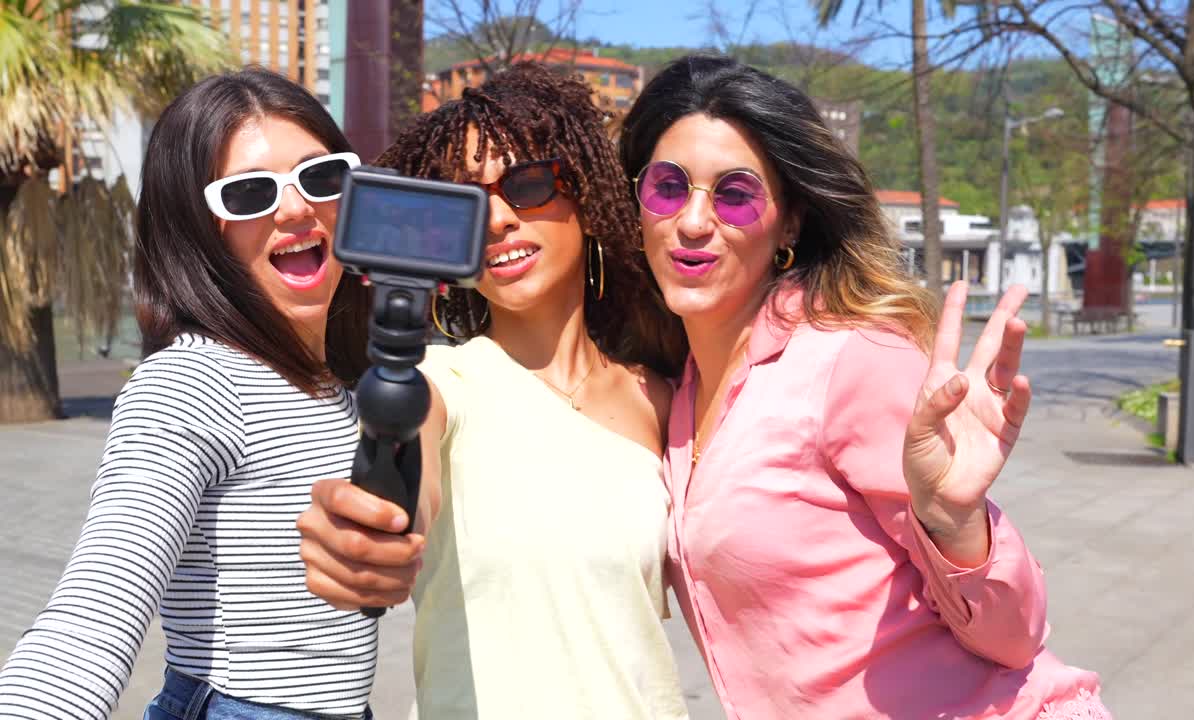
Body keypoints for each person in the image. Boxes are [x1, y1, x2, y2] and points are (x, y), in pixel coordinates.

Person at [617, 54, 1111, 719]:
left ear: (789, 222)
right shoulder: (680, 391)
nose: (695, 220)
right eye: (668, 186)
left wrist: (958, 521)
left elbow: (1015, 636)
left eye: (735, 194)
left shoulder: (851, 359)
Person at [295, 63, 691, 719]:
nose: (500, 218)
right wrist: (371, 533)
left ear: (586, 200)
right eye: (468, 201)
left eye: (529, 184)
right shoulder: (440, 384)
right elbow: (401, 479)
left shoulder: (663, 399)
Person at [0, 69, 378, 719]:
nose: (294, 208)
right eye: (250, 193)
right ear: (198, 228)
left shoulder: (330, 381)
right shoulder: (194, 383)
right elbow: (96, 610)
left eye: (321, 177)